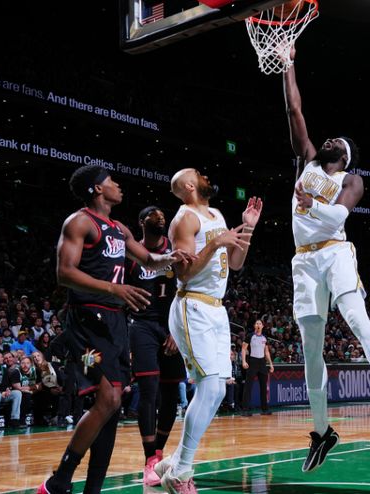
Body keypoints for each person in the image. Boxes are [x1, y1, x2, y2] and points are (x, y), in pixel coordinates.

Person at [37, 165, 194, 494]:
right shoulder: (79, 222)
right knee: (108, 398)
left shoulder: (119, 228)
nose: (118, 185)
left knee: (111, 405)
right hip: (87, 318)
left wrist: (171, 257)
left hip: (116, 322)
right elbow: (64, 272)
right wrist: (113, 289)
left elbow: (149, 261)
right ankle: (59, 480)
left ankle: (92, 488)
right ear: (97, 188)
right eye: (111, 181)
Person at [282, 46, 370, 473]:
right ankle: (321, 432)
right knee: (310, 348)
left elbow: (337, 217)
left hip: (335, 253)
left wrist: (311, 203)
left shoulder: (352, 179)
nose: (329, 140)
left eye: (338, 142)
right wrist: (288, 62)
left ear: (346, 155)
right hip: (303, 260)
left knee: (355, 317)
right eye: (329, 139)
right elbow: (294, 109)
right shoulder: (307, 160)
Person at [152, 168, 261, 493]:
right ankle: (180, 472)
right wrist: (214, 244)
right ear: (189, 185)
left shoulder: (216, 214)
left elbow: (236, 262)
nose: (205, 176)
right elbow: (183, 274)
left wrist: (248, 229)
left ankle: (172, 462)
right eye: (198, 174)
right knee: (210, 387)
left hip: (216, 308)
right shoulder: (184, 219)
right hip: (193, 305)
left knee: (218, 390)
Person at [125, 205, 187, 487]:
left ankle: (159, 451)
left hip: (171, 325)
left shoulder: (175, 252)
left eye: (163, 215)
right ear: (142, 222)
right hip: (142, 326)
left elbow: (186, 290)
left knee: (171, 393)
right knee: (149, 390)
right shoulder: (133, 255)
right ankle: (149, 458)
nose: (160, 218)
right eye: (154, 215)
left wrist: (178, 328)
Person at [241, 319, 274, 416]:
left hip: (262, 362)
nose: (258, 325)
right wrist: (244, 361)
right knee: (248, 386)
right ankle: (245, 409)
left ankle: (265, 409)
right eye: (256, 323)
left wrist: (271, 364)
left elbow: (266, 352)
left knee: (264, 387)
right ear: (254, 326)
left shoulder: (265, 337)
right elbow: (243, 348)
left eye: (260, 323)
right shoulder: (250, 336)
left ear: (262, 326)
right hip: (252, 362)